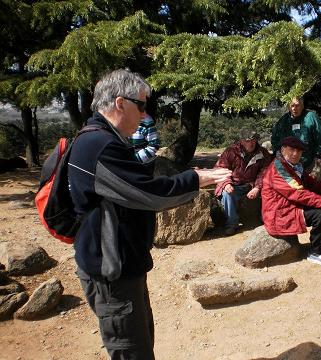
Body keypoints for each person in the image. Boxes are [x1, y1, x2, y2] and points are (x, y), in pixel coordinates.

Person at [67, 69, 231, 359]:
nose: (145, 114)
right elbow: (149, 194)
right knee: (132, 351)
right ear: (120, 103)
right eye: (141, 105)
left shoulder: (101, 138)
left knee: (140, 343)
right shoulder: (100, 146)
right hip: (112, 271)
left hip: (118, 264)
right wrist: (197, 177)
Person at [262, 136, 321, 267]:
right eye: (292, 149)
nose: (296, 154)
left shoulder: (292, 165)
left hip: (289, 206)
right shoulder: (278, 169)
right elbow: (297, 193)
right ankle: (315, 252)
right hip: (279, 213)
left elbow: (313, 184)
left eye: (299, 151)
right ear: (283, 149)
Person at [214, 128, 273, 235]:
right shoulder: (231, 151)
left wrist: (257, 187)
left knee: (270, 189)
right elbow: (220, 169)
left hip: (251, 185)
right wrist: (226, 184)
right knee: (227, 194)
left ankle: (267, 219)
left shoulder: (263, 153)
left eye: (254, 140)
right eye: (248, 140)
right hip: (234, 185)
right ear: (241, 141)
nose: (252, 143)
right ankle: (232, 224)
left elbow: (265, 172)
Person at [271, 96, 321, 171]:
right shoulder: (283, 120)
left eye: (297, 105)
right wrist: (278, 153)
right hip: (287, 164)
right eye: (292, 105)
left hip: (308, 163)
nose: (294, 108)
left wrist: (318, 156)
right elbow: (275, 138)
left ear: (302, 106)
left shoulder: (311, 118)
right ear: (288, 107)